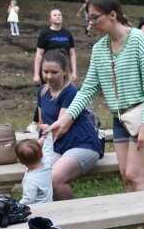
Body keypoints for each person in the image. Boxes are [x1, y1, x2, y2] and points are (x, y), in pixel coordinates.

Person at [47, 0, 144, 229]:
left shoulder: (140, 40)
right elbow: (88, 88)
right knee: (126, 175)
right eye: (89, 19)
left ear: (112, 15)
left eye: (94, 18)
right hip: (122, 118)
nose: (91, 23)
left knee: (136, 175)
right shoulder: (100, 48)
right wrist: (64, 119)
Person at [36, 49, 103, 200]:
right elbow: (42, 125)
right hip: (57, 146)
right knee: (38, 176)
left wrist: (33, 148)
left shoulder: (70, 91)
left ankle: (72, 216)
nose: (48, 76)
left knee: (54, 178)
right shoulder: (41, 92)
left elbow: (60, 129)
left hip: (81, 144)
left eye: (54, 72)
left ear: (65, 71)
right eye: (45, 71)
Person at [34, 8, 77, 86]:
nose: (58, 16)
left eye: (59, 15)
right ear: (50, 19)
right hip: (50, 68)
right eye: (55, 15)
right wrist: (36, 74)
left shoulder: (67, 33)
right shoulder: (45, 33)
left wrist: (74, 72)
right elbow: (39, 54)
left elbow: (72, 54)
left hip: (64, 68)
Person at [15, 138, 53, 205]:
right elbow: (48, 148)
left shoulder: (30, 180)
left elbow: (29, 200)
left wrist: (16, 206)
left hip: (39, 209)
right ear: (42, 154)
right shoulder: (47, 164)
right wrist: (48, 134)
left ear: (20, 161)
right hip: (49, 203)